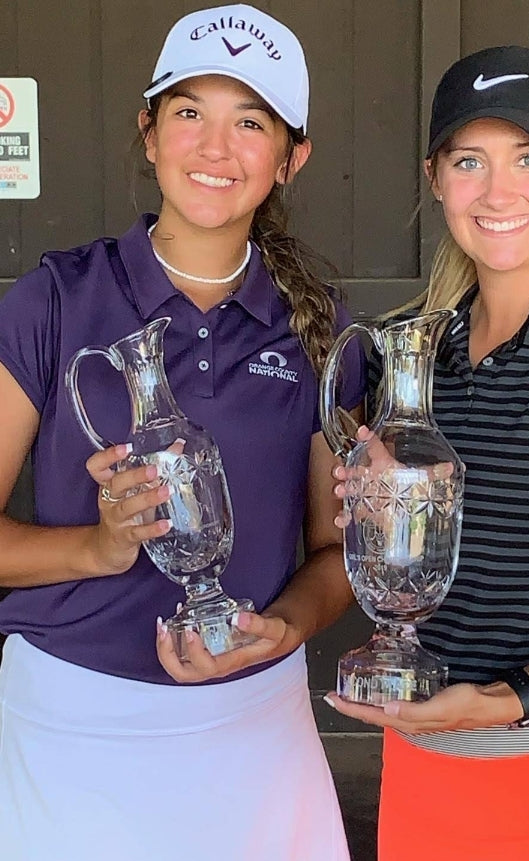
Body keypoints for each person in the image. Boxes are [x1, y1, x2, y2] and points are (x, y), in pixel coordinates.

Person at [0, 6, 364, 860]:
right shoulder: (52, 301)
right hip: (70, 726)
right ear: (150, 130)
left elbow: (333, 555)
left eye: (250, 121)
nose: (214, 147)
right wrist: (94, 547)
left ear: (290, 157)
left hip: (254, 726)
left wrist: (286, 627)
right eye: (189, 111)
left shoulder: (318, 332)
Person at [326, 45, 529, 860]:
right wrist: (384, 521)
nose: (498, 192)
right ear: (436, 179)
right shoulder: (421, 355)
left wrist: (509, 701)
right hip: (427, 775)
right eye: (470, 161)